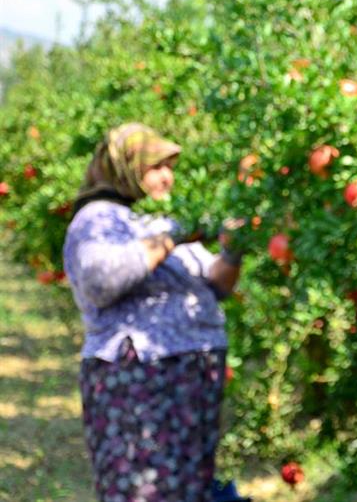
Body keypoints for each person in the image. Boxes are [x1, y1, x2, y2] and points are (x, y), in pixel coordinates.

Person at [63, 123, 250, 502]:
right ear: (125, 167)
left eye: (171, 166)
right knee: (140, 489)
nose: (168, 177)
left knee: (186, 488)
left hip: (190, 381)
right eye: (156, 167)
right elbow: (99, 282)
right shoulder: (99, 219)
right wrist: (173, 234)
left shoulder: (156, 222)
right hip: (138, 383)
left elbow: (215, 284)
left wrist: (233, 250)